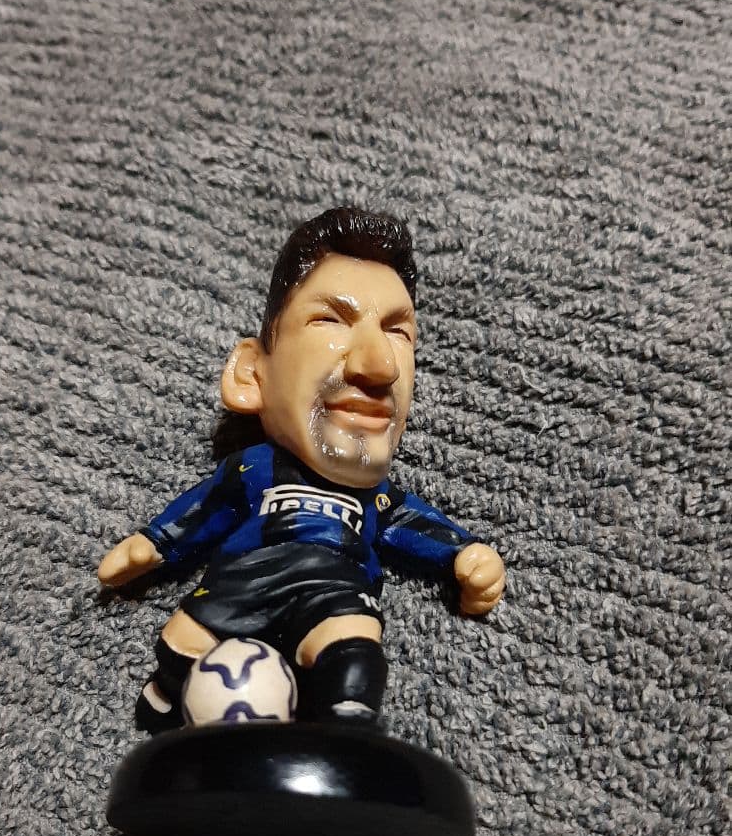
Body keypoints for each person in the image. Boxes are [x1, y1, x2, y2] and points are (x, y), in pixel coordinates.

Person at [98, 207, 506, 733]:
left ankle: (346, 729)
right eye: (329, 320)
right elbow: (205, 509)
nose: (380, 366)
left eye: (398, 332)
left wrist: (463, 552)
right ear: (252, 375)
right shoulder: (254, 469)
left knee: (355, 651)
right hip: (244, 578)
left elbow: (412, 524)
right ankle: (165, 693)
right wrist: (153, 543)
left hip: (335, 586)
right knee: (182, 645)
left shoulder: (378, 498)